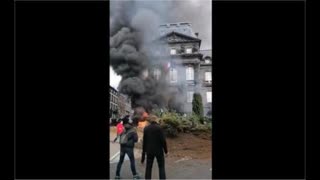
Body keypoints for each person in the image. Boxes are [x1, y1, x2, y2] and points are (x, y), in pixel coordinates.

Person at [141, 115, 168, 180]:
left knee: (148, 167)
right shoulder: (159, 128)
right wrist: (166, 151)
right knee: (161, 167)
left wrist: (143, 155)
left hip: (149, 151)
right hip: (159, 151)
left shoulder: (146, 128)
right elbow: (163, 141)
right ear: (156, 120)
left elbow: (144, 142)